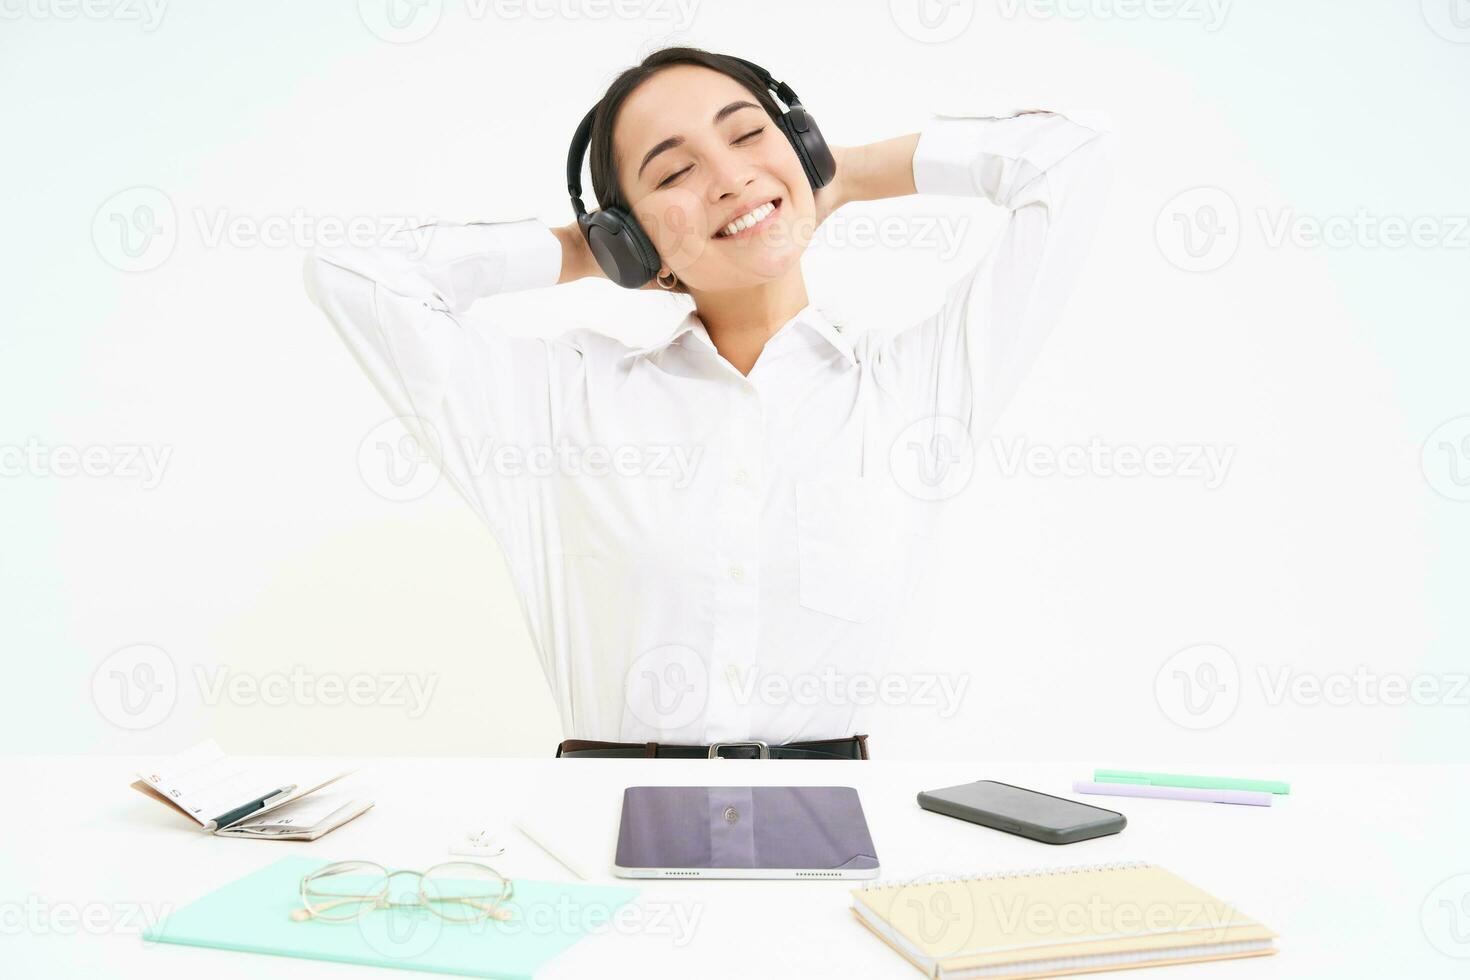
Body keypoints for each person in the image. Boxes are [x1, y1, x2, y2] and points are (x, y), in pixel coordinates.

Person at [302, 46, 1115, 759]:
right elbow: (357, 274)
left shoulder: (911, 390)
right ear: (630, 235)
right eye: (674, 172)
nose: (730, 178)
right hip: (600, 830)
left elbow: (1067, 157)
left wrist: (846, 172)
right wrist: (590, 251)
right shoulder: (557, 405)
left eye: (749, 133)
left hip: (829, 834)